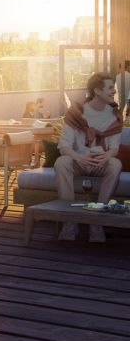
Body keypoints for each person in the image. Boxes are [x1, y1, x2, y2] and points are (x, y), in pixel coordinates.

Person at [55, 72, 124, 242]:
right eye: (110, 88)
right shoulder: (77, 112)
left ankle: (97, 223)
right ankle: (69, 223)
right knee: (61, 162)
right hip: (79, 162)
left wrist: (106, 156)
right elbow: (64, 147)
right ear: (97, 91)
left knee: (115, 164)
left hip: (102, 162)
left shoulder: (114, 115)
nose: (113, 91)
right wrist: (79, 158)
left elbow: (114, 149)